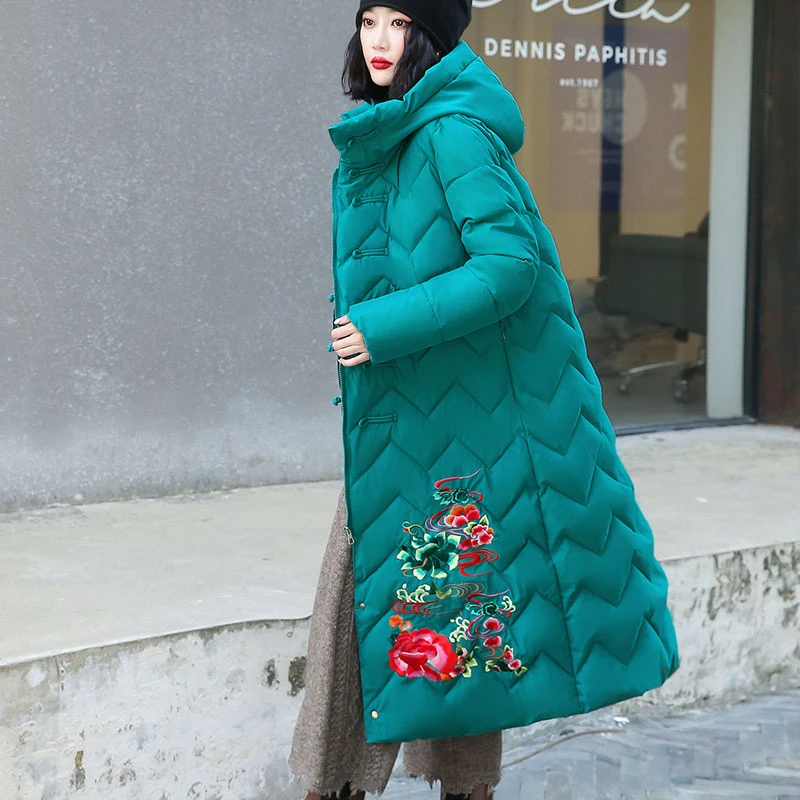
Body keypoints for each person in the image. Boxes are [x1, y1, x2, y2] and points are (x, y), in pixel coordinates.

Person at [289, 2, 680, 798]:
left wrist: (379, 326)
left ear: (429, 37)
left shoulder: (449, 131)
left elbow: (510, 268)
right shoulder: (403, 125)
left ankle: (337, 788)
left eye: (401, 24)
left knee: (375, 613)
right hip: (427, 426)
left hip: (450, 432)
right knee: (461, 624)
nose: (381, 40)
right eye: (370, 21)